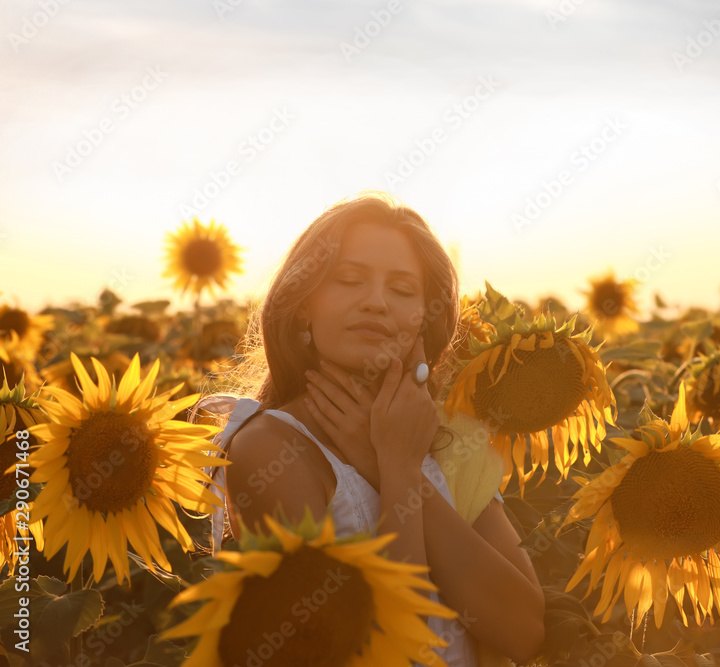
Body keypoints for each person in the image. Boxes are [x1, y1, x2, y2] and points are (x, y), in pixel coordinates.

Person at [197, 191, 545, 667]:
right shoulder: (269, 448)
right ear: (303, 305)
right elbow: (384, 651)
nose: (377, 303)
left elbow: (523, 629)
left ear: (424, 319)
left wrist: (396, 461)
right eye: (349, 280)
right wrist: (396, 470)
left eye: (402, 290)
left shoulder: (450, 442)